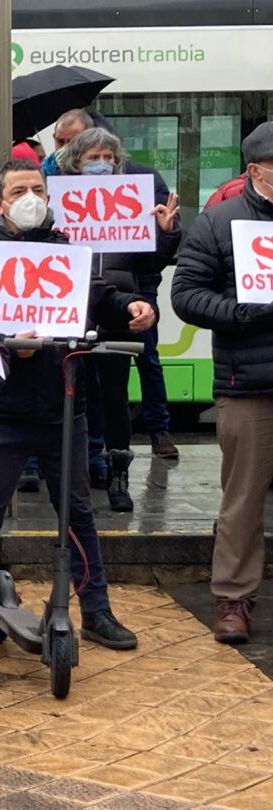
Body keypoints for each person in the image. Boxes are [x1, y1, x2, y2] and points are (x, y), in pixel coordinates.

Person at [0, 159, 150, 665]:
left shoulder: (67, 251)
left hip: (66, 405)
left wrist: (129, 306)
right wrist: (6, 350)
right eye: (19, 189)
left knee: (79, 515)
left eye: (37, 188)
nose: (30, 196)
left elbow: (99, 297)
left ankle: (97, 611)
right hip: (0, 409)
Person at [172, 122, 273, 645]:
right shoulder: (220, 222)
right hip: (249, 384)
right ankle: (233, 597)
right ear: (254, 171)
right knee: (243, 497)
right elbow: (185, 294)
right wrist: (241, 312)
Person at [45, 109, 180, 464]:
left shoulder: (130, 203)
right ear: (77, 164)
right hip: (73, 310)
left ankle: (116, 466)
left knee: (116, 393)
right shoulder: (57, 203)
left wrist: (166, 234)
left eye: (108, 158)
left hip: (118, 310)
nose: (102, 164)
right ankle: (89, 461)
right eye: (94, 158)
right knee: (78, 390)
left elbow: (150, 264)